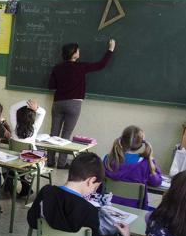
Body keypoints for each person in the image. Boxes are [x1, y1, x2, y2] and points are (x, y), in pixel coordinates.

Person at [47, 39, 116, 168]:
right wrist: (110, 49)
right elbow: (101, 65)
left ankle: (50, 162)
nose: (80, 52)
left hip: (58, 103)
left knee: (53, 134)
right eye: (78, 50)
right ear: (74, 54)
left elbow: (51, 86)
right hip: (74, 104)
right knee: (65, 135)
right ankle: (61, 164)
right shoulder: (81, 67)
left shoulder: (57, 68)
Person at [103, 125, 162, 210]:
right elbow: (156, 182)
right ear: (141, 143)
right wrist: (153, 166)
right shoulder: (146, 163)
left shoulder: (108, 159)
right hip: (135, 209)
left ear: (122, 140)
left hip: (107, 206)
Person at [12, 100, 45, 199]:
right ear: (33, 118)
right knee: (43, 156)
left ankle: (12, 186)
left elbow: (13, 108)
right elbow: (43, 112)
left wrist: (25, 102)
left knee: (21, 159)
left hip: (16, 160)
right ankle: (27, 181)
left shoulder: (15, 127)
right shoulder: (34, 129)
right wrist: (36, 107)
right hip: (32, 163)